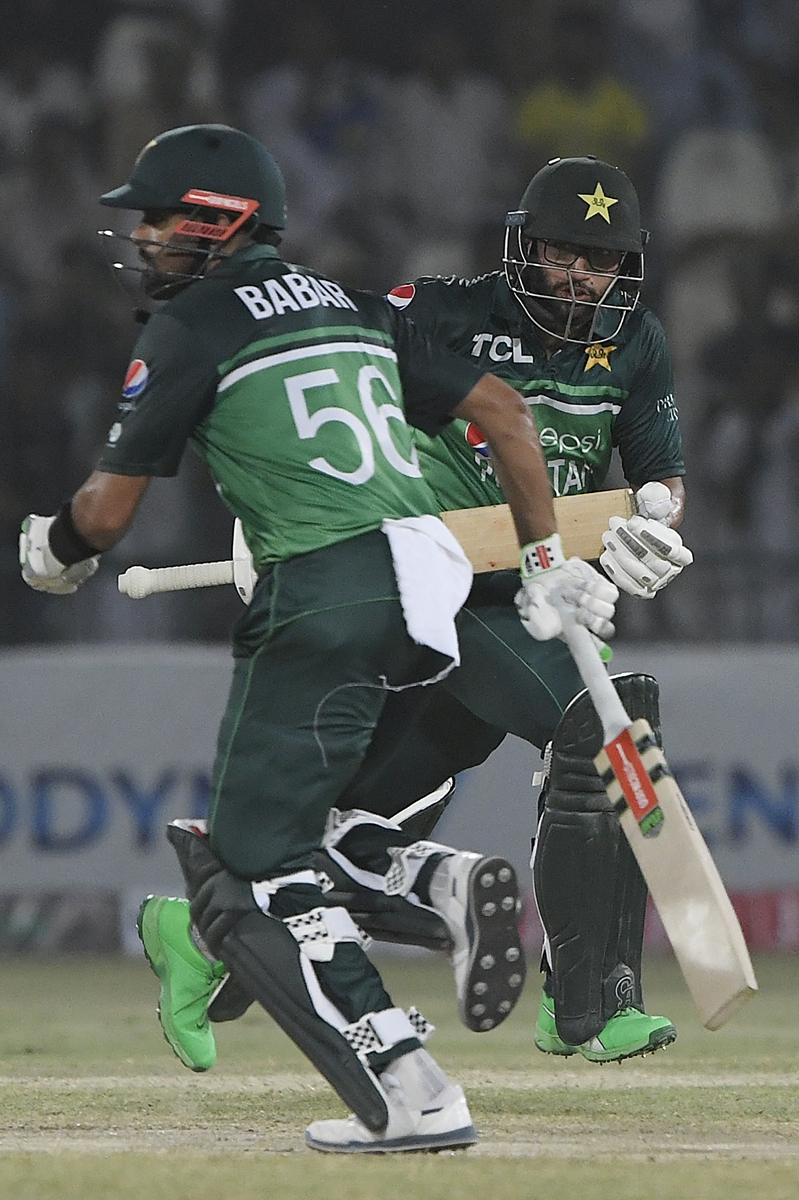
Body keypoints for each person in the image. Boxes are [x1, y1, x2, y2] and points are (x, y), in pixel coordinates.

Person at [18, 125, 618, 1154]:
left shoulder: (195, 323)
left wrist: (54, 548)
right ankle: (427, 885)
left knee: (242, 878)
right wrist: (545, 562)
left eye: (161, 217)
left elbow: (106, 516)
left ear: (217, 221)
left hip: (325, 588)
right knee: (298, 837)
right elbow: (508, 415)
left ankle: (408, 1089)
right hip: (422, 584)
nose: (147, 236)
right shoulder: (352, 305)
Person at [134, 155, 691, 1076]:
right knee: (601, 726)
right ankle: (589, 1004)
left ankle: (194, 937)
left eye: (600, 261)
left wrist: (651, 527)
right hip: (436, 589)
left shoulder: (635, 343)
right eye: (561, 253)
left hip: (535, 593)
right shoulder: (439, 312)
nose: (579, 277)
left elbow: (659, 478)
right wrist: (279, 516)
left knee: (355, 824)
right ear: (522, 248)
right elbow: (316, 374)